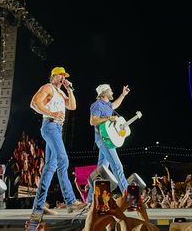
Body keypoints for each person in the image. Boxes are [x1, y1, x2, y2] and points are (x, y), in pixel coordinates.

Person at [27, 66, 86, 228]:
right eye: (61, 75)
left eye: (64, 76)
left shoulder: (61, 92)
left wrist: (70, 90)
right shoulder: (48, 87)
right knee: (63, 160)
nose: (63, 78)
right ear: (54, 76)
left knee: (50, 167)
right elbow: (34, 103)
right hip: (50, 126)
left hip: (57, 129)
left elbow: (72, 106)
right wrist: (51, 113)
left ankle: (38, 208)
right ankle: (70, 201)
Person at [87, 84, 130, 204]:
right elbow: (93, 121)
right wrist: (108, 118)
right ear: (104, 93)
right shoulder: (96, 105)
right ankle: (130, 198)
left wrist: (123, 94)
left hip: (107, 140)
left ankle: (90, 199)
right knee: (117, 166)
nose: (112, 92)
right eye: (110, 90)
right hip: (103, 140)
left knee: (101, 170)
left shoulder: (107, 105)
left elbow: (115, 104)